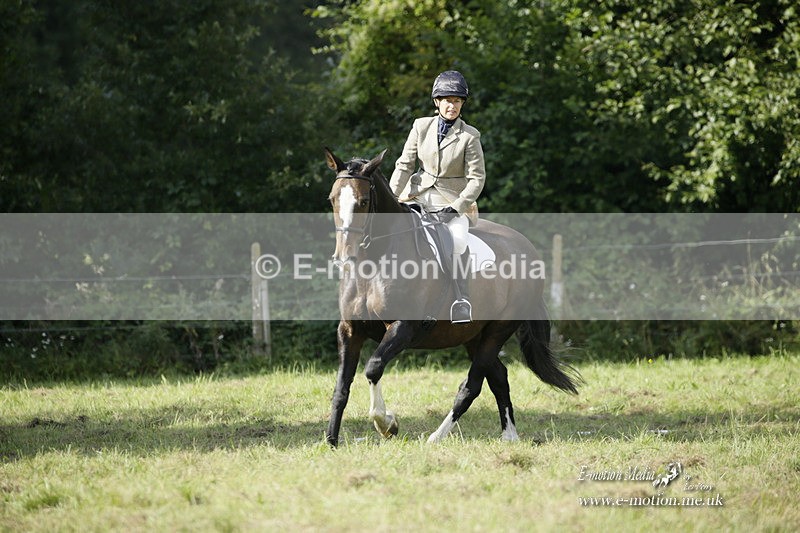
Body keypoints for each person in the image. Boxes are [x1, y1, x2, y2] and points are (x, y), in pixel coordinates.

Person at [389, 70, 486, 324]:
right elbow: (404, 165)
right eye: (446, 99)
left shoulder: (469, 136)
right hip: (416, 195)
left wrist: (456, 209)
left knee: (458, 241)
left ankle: (460, 299)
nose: (451, 105)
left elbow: (477, 179)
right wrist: (392, 196)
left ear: (462, 104)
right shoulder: (420, 126)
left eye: (456, 100)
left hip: (451, 202)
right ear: (437, 102)